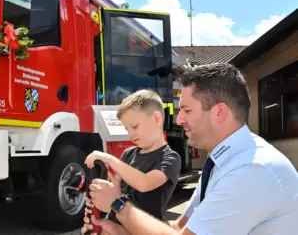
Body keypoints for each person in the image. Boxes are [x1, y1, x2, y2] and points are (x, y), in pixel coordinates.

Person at [82, 63, 298, 235]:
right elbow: (178, 228)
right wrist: (117, 230)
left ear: (219, 112)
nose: (179, 119)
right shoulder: (223, 164)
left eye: (186, 110)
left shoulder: (250, 171)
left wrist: (117, 204)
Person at [83, 89, 181, 226]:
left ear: (156, 119)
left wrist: (109, 158)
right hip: (117, 224)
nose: (130, 134)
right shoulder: (129, 153)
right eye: (127, 129)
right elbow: (116, 187)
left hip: (144, 229)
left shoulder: (170, 159)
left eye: (135, 126)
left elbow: (144, 183)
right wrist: (98, 196)